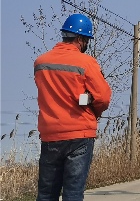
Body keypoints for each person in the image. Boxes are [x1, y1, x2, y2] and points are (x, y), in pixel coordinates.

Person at [34, 13, 111, 201]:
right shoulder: (86, 62)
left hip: (50, 134)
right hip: (79, 135)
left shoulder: (40, 63)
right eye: (86, 40)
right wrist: (94, 110)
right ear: (80, 39)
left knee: (46, 194)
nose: (86, 44)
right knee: (73, 193)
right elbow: (103, 97)